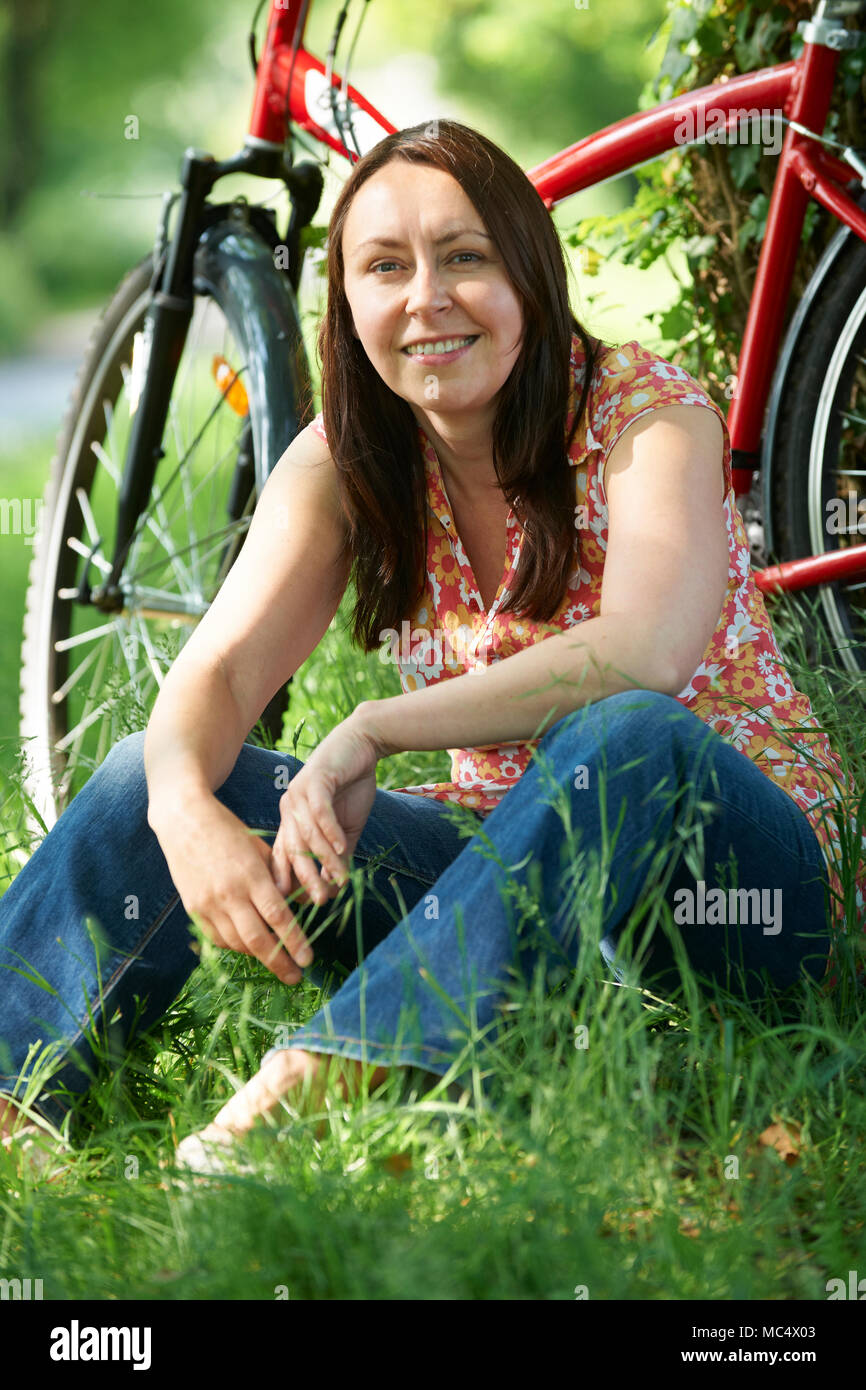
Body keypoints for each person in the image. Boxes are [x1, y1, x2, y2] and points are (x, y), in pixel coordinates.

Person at [1, 120, 863, 1177]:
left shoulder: (650, 416)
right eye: (384, 266)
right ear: (347, 300)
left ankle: (309, 1090)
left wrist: (373, 727)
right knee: (160, 767)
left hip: (737, 893)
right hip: (506, 885)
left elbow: (641, 654)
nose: (425, 298)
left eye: (465, 257)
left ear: (528, 274)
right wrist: (185, 813)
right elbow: (215, 677)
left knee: (630, 733)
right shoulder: (350, 459)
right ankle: (13, 1100)